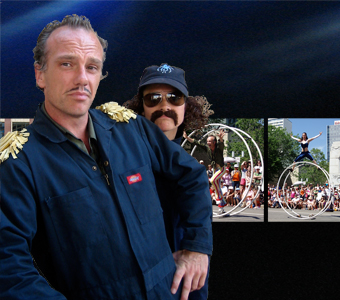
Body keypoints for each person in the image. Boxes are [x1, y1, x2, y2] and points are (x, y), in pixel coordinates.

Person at [0, 15, 210, 300]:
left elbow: (192, 176)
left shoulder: (132, 128)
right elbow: (9, 268)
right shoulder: (19, 163)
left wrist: (198, 247)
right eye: (66, 64)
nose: (82, 78)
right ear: (40, 74)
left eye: (92, 67)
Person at [123, 63, 214, 299]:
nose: (164, 106)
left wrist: (196, 248)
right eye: (153, 98)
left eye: (174, 98)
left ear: (186, 106)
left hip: (184, 277)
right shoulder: (122, 154)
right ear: (141, 107)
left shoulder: (193, 160)